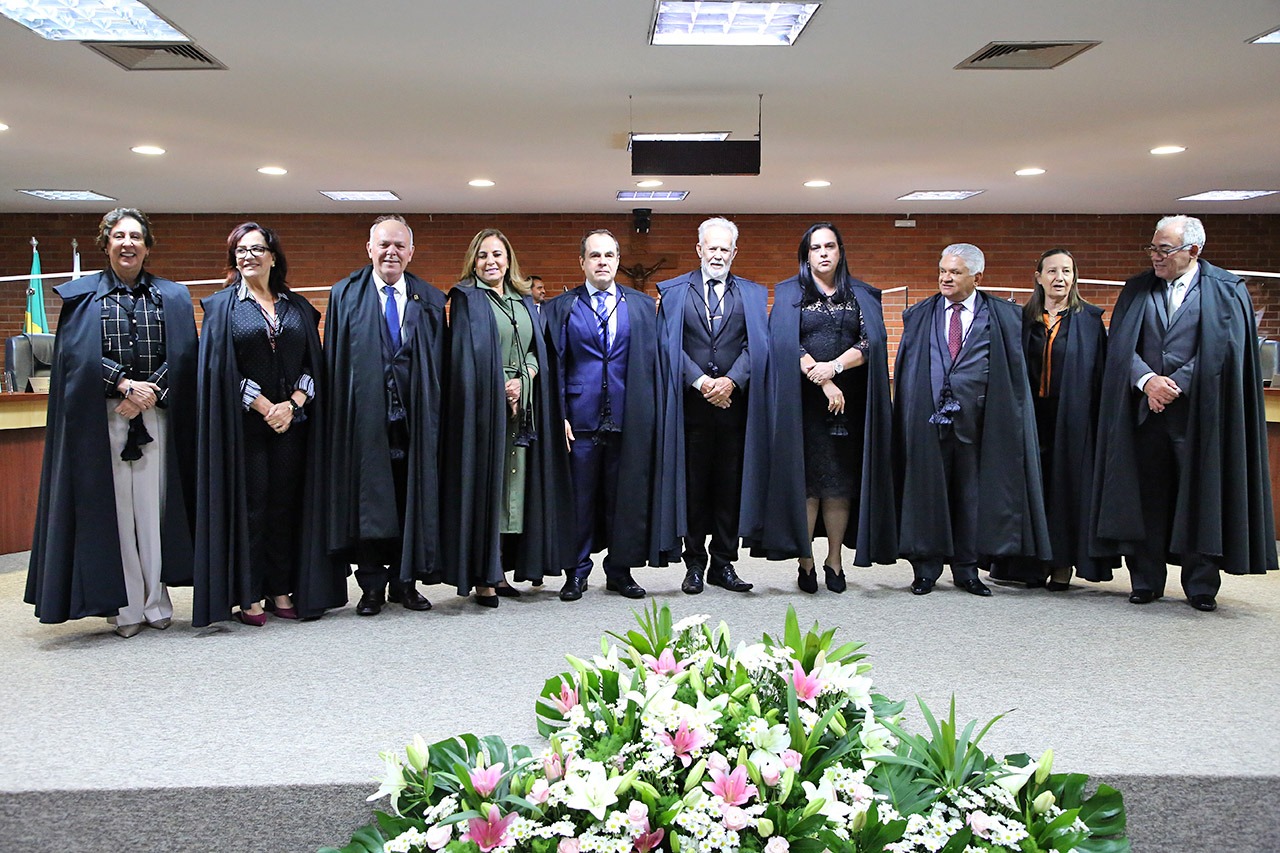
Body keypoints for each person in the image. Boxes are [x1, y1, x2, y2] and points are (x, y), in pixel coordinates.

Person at [26, 208, 197, 636]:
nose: (128, 244)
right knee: (118, 515)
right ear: (106, 244)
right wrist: (124, 385)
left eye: (136, 236)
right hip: (106, 419)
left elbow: (184, 353)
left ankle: (155, 601)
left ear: (147, 246)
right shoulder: (83, 297)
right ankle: (126, 607)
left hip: (156, 415)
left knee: (154, 512)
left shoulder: (172, 296)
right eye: (119, 236)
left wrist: (149, 392)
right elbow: (74, 355)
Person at [1093, 215, 1276, 611]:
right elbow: (1120, 345)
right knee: (1146, 497)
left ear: (1193, 250)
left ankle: (1200, 585)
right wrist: (1147, 382)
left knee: (1201, 497)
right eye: (1153, 248)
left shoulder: (1226, 290)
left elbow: (1225, 350)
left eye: (1164, 250)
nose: (1155, 257)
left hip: (1200, 418)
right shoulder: (1137, 289)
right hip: (1145, 415)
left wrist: (1174, 385)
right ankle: (1145, 580)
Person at [193, 223, 344, 626]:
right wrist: (264, 406)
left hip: (293, 426)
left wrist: (292, 405)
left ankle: (280, 587)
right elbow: (219, 368)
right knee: (252, 508)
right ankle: (249, 594)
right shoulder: (222, 308)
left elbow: (313, 363)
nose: (248, 256)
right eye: (241, 250)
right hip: (245, 429)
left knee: (285, 507)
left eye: (257, 249)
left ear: (273, 257)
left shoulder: (298, 307)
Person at [893, 243, 1049, 597]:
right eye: (943, 271)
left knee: (971, 497)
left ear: (977, 277)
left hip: (978, 423)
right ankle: (926, 570)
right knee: (927, 496)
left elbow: (1014, 373)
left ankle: (967, 570)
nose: (946, 278)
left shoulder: (1004, 316)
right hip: (928, 422)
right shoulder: (919, 314)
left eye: (955, 272)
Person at [752, 223, 897, 592]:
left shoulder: (861, 294)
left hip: (849, 404)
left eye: (829, 246)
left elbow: (871, 342)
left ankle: (834, 560)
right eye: (815, 248)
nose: (823, 253)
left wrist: (835, 368)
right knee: (808, 484)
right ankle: (806, 561)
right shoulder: (790, 293)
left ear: (840, 251)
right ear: (806, 255)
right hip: (802, 404)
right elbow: (784, 342)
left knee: (839, 483)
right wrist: (823, 378)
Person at [441, 228, 572, 607]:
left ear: (509, 259)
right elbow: (465, 354)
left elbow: (536, 349)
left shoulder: (524, 300)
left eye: (497, 254)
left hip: (523, 410)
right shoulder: (466, 298)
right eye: (483, 255)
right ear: (473, 261)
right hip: (483, 409)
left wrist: (524, 379)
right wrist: (500, 386)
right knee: (489, 486)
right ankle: (484, 576)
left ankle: (502, 569)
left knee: (516, 488)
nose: (491, 262)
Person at [324, 215, 445, 616]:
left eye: (399, 246)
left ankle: (405, 583)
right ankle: (372, 586)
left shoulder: (430, 299)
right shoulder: (345, 295)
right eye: (383, 245)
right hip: (364, 418)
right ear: (369, 249)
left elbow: (439, 365)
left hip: (414, 419)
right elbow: (335, 361)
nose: (391, 252)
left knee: (410, 499)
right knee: (370, 500)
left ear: (411, 252)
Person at [543, 229, 661, 601]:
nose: (602, 262)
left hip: (627, 416)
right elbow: (555, 365)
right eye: (595, 255)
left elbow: (651, 365)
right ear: (582, 262)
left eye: (609, 255)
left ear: (617, 261)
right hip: (579, 419)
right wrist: (559, 414)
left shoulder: (640, 305)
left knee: (623, 499)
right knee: (579, 500)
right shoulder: (561, 307)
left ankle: (620, 572)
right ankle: (576, 572)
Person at [988, 248, 1115, 591]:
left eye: (1067, 271)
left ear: (1074, 277)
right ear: (1039, 277)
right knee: (1029, 489)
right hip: (1029, 417)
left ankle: (1062, 565)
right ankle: (1026, 565)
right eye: (1052, 271)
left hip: (1072, 420)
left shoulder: (1089, 320)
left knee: (1065, 493)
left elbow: (1100, 375)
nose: (1060, 278)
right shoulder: (1022, 319)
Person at [655, 217, 768, 594]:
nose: (717, 255)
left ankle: (723, 563)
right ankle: (694, 564)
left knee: (729, 489)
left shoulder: (752, 294)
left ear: (735, 252)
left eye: (725, 249)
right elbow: (668, 344)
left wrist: (731, 380)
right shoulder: (674, 292)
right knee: (693, 488)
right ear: (699, 249)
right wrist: (702, 382)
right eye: (711, 247)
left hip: (734, 408)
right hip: (691, 408)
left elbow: (757, 345)